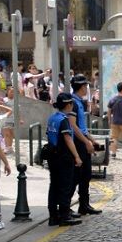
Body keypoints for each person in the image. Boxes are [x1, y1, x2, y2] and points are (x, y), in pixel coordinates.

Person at [44, 93, 81, 226]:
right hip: (63, 156)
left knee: (54, 185)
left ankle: (53, 216)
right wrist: (77, 156)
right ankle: (65, 216)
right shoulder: (64, 120)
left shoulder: (52, 118)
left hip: (52, 155)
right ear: (69, 105)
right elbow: (68, 138)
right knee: (65, 186)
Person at [68, 76, 101, 216]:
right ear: (82, 87)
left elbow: (82, 126)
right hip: (77, 143)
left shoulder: (79, 102)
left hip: (82, 140)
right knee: (76, 176)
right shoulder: (73, 103)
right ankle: (65, 206)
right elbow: (72, 125)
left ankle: (84, 204)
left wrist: (91, 140)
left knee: (85, 174)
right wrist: (86, 142)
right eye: (86, 86)